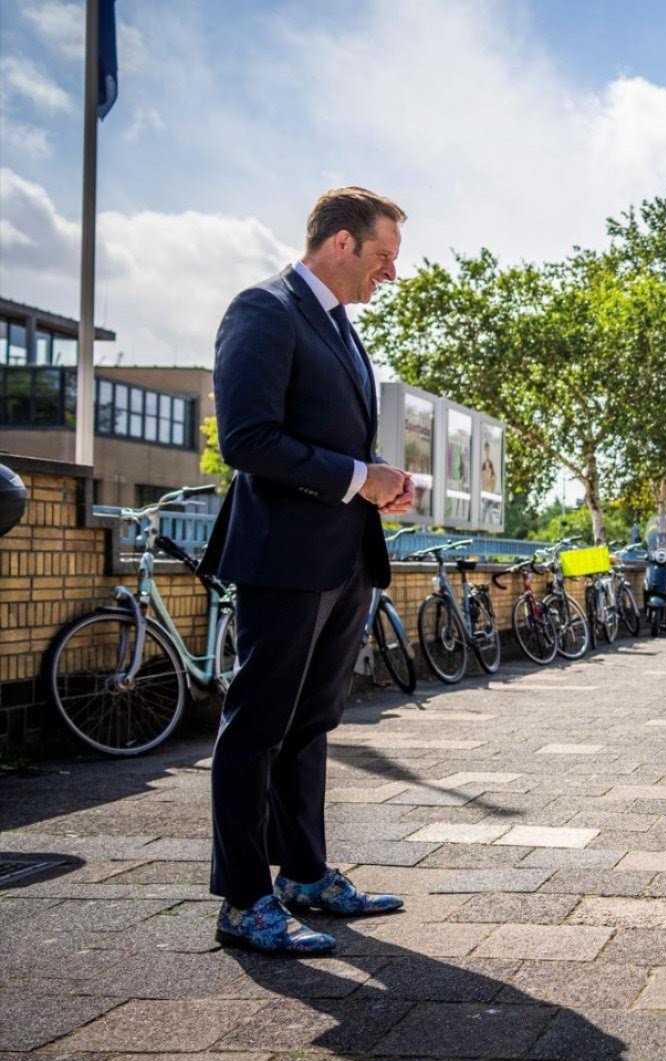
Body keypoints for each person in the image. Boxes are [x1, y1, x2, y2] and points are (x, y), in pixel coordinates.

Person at [200, 187, 415, 956]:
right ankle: (243, 899)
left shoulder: (340, 328)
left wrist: (377, 481)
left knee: (311, 723)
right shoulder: (263, 310)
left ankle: (305, 874)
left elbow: (329, 440)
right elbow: (248, 439)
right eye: (383, 255)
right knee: (256, 725)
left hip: (342, 557)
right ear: (341, 243)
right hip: (284, 557)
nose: (391, 273)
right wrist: (360, 476)